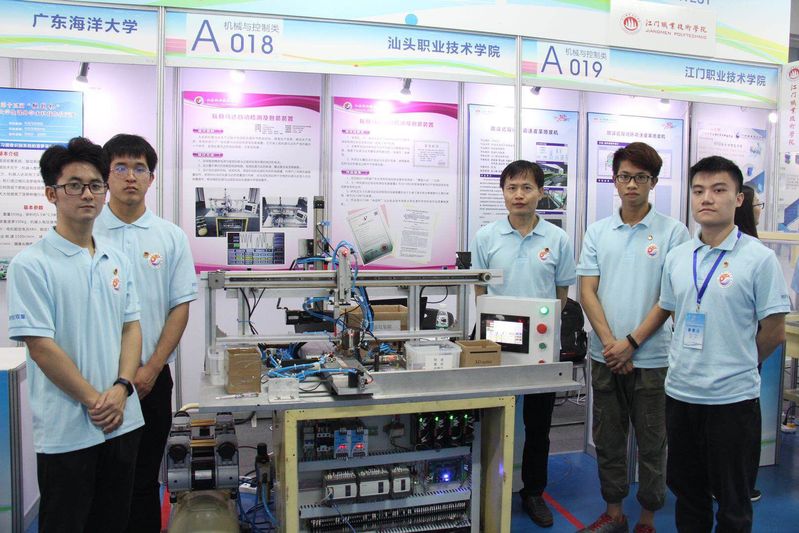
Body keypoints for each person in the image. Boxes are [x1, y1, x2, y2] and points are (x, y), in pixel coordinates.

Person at [632, 155, 789, 532]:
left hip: (732, 401)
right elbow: (674, 311)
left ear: (739, 198)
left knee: (733, 502)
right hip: (681, 394)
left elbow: (774, 331)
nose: (707, 198)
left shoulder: (759, 259)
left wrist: (739, 363)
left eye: (719, 190)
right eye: (699, 190)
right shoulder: (678, 257)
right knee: (688, 495)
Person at [7, 137, 144, 532]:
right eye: (74, 185)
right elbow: (41, 347)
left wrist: (122, 388)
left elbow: (131, 327)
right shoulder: (31, 265)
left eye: (95, 185)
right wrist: (94, 401)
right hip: (68, 430)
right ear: (52, 193)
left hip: (122, 420)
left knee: (114, 521)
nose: (87, 194)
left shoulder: (116, 259)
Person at [577, 143, 689, 533]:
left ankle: (647, 519)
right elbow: (587, 290)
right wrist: (612, 344)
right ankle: (614, 514)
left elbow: (670, 298)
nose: (631, 184)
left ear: (653, 182)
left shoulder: (674, 232)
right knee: (608, 439)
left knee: (653, 443)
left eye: (641, 177)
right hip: (605, 356)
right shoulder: (598, 231)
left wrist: (632, 343)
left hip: (653, 358)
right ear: (614, 180)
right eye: (625, 176)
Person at [95, 134, 198, 533]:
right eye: (120, 167)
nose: (130, 177)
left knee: (143, 481)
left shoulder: (169, 236)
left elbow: (180, 307)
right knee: (97, 481)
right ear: (106, 176)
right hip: (97, 381)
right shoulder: (87, 231)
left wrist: (152, 369)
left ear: (151, 178)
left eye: (140, 168)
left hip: (150, 381)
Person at [472, 160, 576, 528]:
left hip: (541, 348)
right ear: (503, 192)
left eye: (527, 187)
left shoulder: (557, 239)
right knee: (488, 417)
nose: (519, 194)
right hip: (496, 345)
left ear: (541, 193)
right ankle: (483, 485)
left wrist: (544, 327)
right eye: (512, 187)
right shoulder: (486, 237)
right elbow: (480, 290)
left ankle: (533, 491)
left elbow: (561, 292)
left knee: (538, 425)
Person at [733, 183, 764, 503]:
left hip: (745, 357)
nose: (760, 211)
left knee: (746, 420)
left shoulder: (757, 255)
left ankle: (742, 484)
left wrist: (748, 358)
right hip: (739, 358)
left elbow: (773, 328)